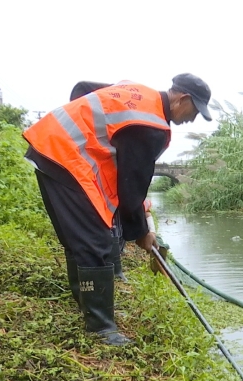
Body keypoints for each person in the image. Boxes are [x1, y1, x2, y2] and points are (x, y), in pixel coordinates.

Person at [23, 74, 213, 346]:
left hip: (51, 145)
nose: (191, 119)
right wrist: (140, 233)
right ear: (182, 99)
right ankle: (101, 328)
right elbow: (131, 185)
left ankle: (90, 307)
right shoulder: (149, 124)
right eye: (194, 111)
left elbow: (83, 89)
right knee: (95, 240)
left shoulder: (140, 94)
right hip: (66, 157)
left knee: (78, 237)